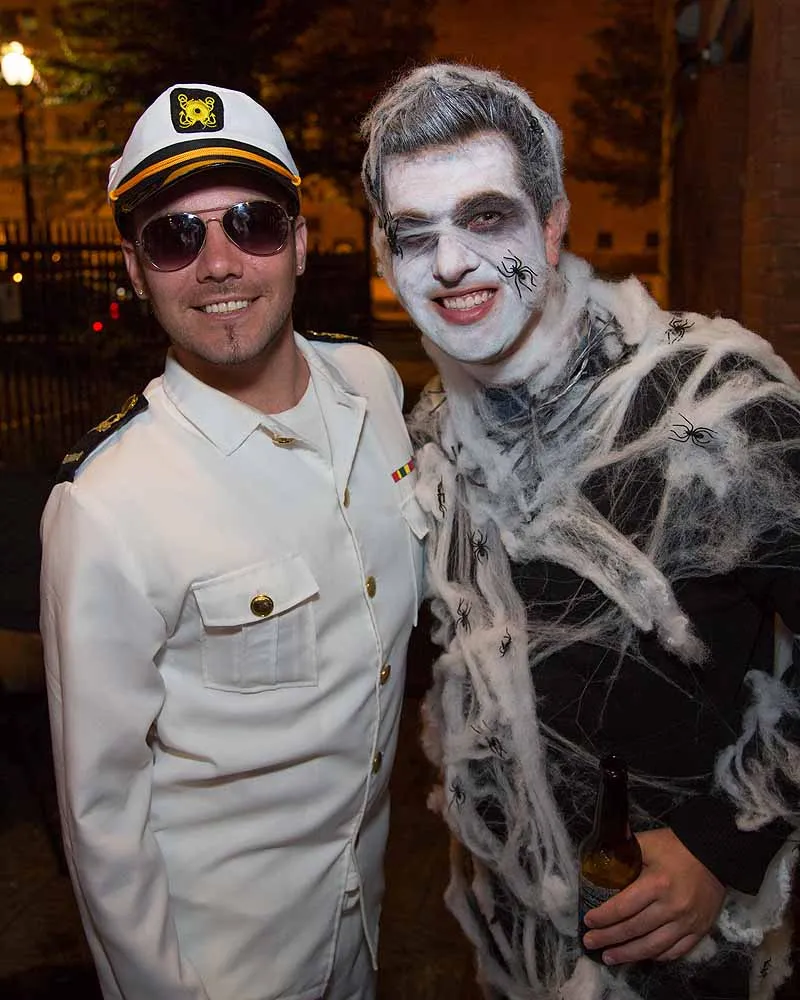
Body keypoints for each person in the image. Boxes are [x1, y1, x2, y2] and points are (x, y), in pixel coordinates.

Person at [360, 62, 800, 1000]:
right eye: (414, 233)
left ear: (552, 223)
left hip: (688, 960)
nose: (449, 264)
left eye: (486, 217)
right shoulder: (436, 434)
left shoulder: (713, 403)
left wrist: (726, 841)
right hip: (509, 947)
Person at [40, 82, 426, 1000]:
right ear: (136, 269)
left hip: (363, 931)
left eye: (252, 224)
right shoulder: (108, 504)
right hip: (224, 968)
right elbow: (102, 817)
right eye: (175, 237)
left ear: (301, 243)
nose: (219, 263)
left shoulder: (371, 386)